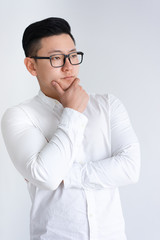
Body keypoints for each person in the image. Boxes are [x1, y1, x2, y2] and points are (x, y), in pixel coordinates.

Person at [1, 17, 140, 240]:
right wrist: (73, 113)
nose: (68, 66)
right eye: (56, 58)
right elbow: (46, 178)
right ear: (31, 65)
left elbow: (130, 168)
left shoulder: (108, 106)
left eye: (73, 55)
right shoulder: (19, 116)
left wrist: (65, 176)